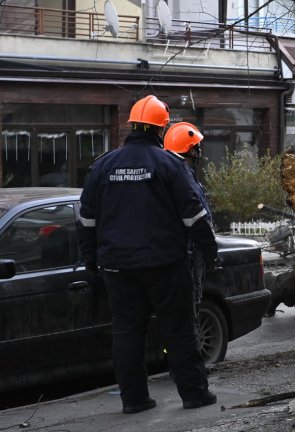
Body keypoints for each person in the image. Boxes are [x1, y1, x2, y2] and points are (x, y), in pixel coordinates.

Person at [77, 95, 219, 414]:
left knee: (127, 334)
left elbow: (86, 221)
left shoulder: (103, 166)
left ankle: (134, 400)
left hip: (117, 268)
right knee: (179, 331)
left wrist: (90, 261)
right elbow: (194, 216)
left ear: (132, 125)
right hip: (165, 265)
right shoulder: (169, 165)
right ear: (160, 128)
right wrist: (211, 252)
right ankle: (194, 394)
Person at [163, 122, 211, 318]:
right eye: (197, 147)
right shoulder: (185, 178)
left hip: (180, 254)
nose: (199, 152)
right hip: (190, 253)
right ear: (190, 151)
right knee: (191, 306)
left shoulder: (171, 175)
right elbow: (198, 217)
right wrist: (211, 251)